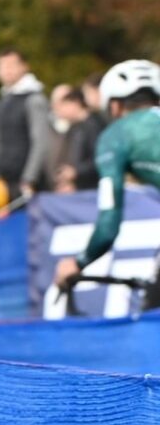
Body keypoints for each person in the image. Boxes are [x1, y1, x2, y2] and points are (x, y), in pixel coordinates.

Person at [53, 60, 160, 311]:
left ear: (114, 105)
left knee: (151, 326)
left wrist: (78, 263)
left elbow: (108, 225)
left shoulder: (116, 135)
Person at [0, 47, 53, 199]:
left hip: (30, 185)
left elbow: (41, 141)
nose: (6, 70)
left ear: (24, 66)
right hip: (4, 183)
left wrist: (29, 178)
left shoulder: (34, 100)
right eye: (2, 66)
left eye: (11, 65)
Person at [51, 85, 107, 193]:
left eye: (64, 105)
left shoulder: (94, 125)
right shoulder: (74, 127)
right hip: (78, 189)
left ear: (75, 103)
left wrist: (76, 172)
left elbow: (100, 158)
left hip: (92, 190)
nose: (59, 111)